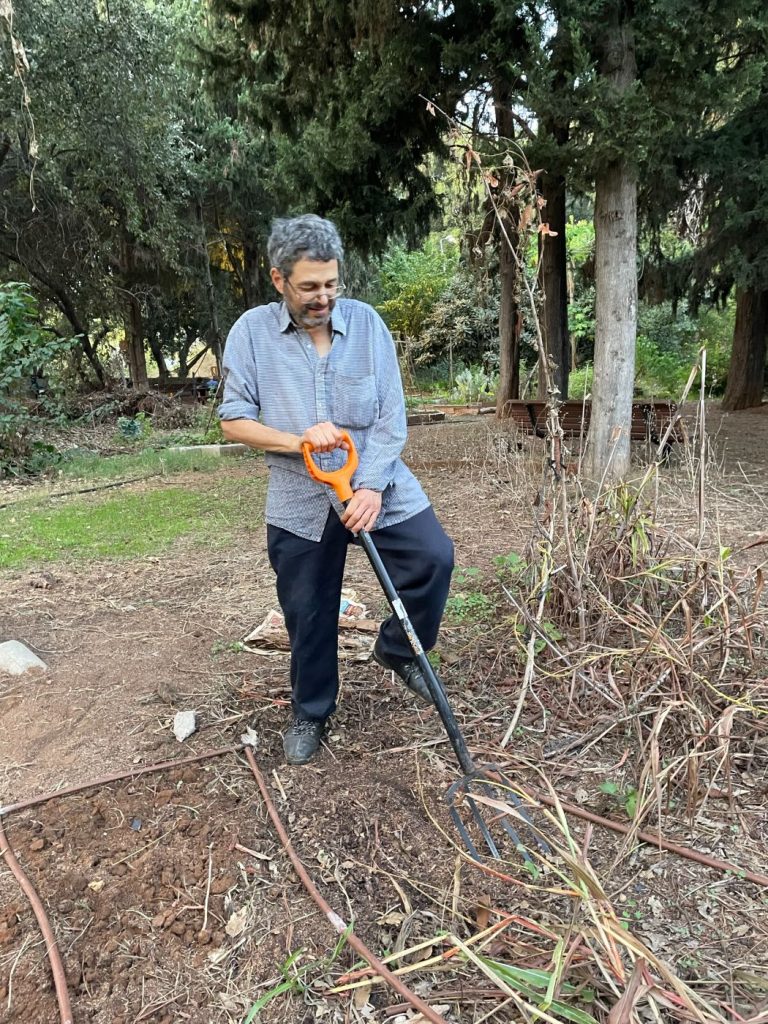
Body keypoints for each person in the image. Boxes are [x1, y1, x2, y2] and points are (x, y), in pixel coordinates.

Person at [218, 214, 454, 765]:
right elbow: (233, 421)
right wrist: (299, 440)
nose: (323, 298)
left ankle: (397, 649)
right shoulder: (250, 333)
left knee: (432, 558)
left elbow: (393, 418)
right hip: (301, 495)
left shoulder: (368, 325)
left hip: (376, 480)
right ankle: (312, 710)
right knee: (308, 609)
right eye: (308, 287)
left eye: (331, 284)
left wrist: (370, 485)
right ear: (279, 280)